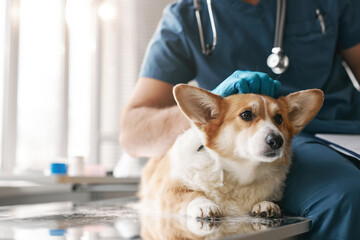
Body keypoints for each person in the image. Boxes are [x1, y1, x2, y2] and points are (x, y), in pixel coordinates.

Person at [120, 0, 360, 239]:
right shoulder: (189, 16)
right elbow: (133, 134)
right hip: (290, 144)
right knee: (344, 197)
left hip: (348, 133)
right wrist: (214, 110)